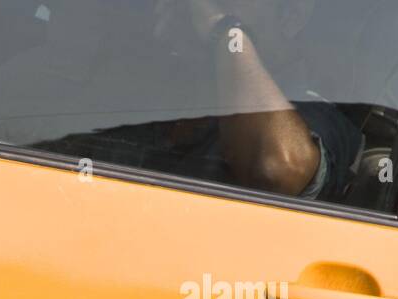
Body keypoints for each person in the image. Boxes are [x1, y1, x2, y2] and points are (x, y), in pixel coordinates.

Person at [152, 0, 364, 199]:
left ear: (290, 17)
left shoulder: (321, 118)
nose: (197, 10)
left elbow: (279, 168)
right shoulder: (162, 92)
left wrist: (222, 29)